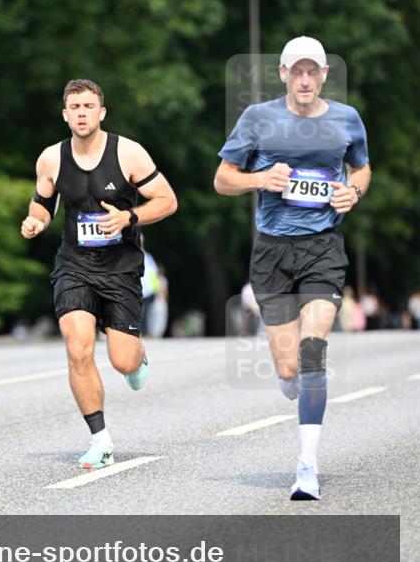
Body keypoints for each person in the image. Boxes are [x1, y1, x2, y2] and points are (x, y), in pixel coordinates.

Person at [214, 36, 371, 500]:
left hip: (324, 247)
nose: (305, 79)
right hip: (273, 252)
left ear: (324, 75)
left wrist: (353, 192)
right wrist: (261, 179)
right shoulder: (257, 118)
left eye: (313, 72)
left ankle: (307, 466)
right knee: (287, 369)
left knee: (312, 352)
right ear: (282, 73)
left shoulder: (347, 119)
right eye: (296, 71)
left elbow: (360, 169)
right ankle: (291, 382)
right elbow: (222, 179)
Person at [21, 79, 178, 470]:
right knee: (77, 347)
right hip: (75, 265)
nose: (82, 113)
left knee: (122, 361)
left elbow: (168, 200)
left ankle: (137, 360)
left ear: (101, 112)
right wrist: (35, 221)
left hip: (121, 266)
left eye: (89, 106)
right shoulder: (51, 159)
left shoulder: (128, 153)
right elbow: (43, 203)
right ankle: (100, 441)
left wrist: (129, 217)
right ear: (65, 114)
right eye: (75, 107)